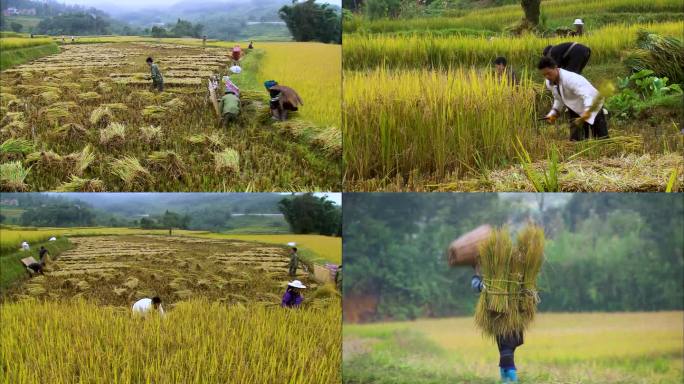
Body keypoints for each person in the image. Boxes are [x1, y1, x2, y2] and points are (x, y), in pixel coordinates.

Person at [538, 56, 609, 141]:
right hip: (575, 107)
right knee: (576, 140)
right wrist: (553, 113)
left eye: (548, 73)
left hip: (593, 104)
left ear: (555, 68)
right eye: (544, 75)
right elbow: (558, 99)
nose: (547, 77)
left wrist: (587, 112)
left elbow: (587, 95)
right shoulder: (549, 82)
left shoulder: (571, 79)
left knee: (601, 139)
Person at [472, 269, 522, 383]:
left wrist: (476, 275)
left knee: (505, 348)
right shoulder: (518, 275)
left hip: (501, 315)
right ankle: (507, 378)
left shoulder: (492, 278)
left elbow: (477, 286)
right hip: (515, 316)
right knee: (507, 348)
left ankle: (510, 378)